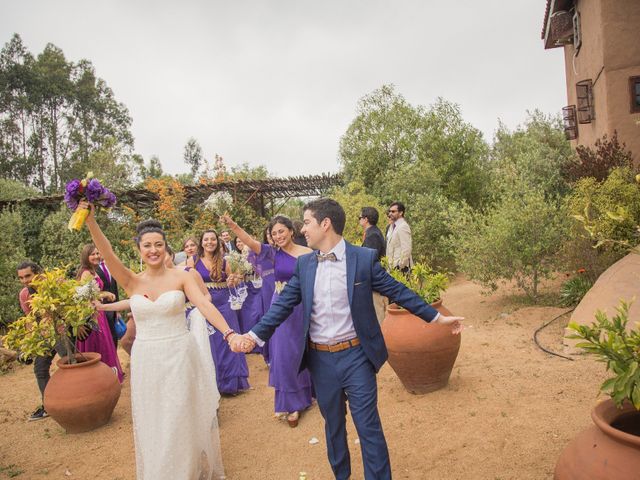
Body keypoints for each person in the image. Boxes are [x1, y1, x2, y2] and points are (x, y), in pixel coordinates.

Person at [231, 198, 463, 480]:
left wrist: (436, 318)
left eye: (306, 222)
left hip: (357, 357)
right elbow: (282, 306)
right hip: (320, 360)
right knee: (334, 428)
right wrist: (254, 336)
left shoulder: (362, 259)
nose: (302, 229)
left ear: (325, 224)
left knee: (368, 427)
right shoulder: (304, 265)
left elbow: (398, 291)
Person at [80, 200, 239, 480]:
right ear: (139, 250)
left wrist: (228, 332)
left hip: (179, 354)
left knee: (179, 415)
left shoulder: (183, 277)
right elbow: (107, 252)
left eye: (158, 245)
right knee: (154, 418)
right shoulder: (131, 281)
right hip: (146, 360)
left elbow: (204, 304)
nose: (153, 250)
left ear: (166, 247)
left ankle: (185, 472)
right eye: (147, 246)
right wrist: (91, 221)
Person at [221, 213, 314, 428]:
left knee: (305, 350)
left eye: (281, 231)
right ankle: (290, 404)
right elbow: (250, 242)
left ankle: (308, 395)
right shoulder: (272, 254)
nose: (278, 235)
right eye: (274, 233)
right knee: (284, 354)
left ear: (291, 231)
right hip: (281, 307)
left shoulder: (308, 253)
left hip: (303, 306)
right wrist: (233, 225)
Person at [187, 230, 250, 395]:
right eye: (206, 239)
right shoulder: (192, 261)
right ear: (201, 242)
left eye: (213, 239)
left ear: (217, 241)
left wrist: (233, 280)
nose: (209, 242)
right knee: (210, 343)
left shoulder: (224, 261)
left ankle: (231, 384)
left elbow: (235, 280)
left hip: (224, 303)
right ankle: (213, 383)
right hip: (204, 304)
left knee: (227, 341)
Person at [76, 244, 124, 383]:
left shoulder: (93, 271)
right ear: (86, 257)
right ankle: (98, 379)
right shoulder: (85, 272)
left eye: (97, 253)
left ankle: (108, 376)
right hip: (93, 315)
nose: (96, 256)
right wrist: (106, 293)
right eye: (93, 254)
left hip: (100, 312)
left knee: (105, 343)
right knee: (99, 345)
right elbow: (86, 295)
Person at [359, 207, 387, 323]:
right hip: (374, 282)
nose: (359, 220)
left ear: (366, 219)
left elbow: (369, 261)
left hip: (374, 282)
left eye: (359, 218)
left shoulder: (373, 235)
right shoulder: (372, 233)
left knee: (378, 315)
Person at [95, 257, 120, 348]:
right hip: (100, 308)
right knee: (106, 338)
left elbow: (114, 288)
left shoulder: (109, 265)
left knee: (114, 337)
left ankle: (114, 358)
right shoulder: (93, 268)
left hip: (113, 308)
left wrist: (117, 309)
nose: (98, 254)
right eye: (97, 252)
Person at [386, 201, 412, 272]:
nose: (390, 213)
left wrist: (399, 266)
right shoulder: (392, 226)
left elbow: (406, 249)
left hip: (401, 269)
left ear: (401, 213)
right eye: (390, 211)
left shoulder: (403, 226)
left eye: (393, 211)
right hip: (392, 268)